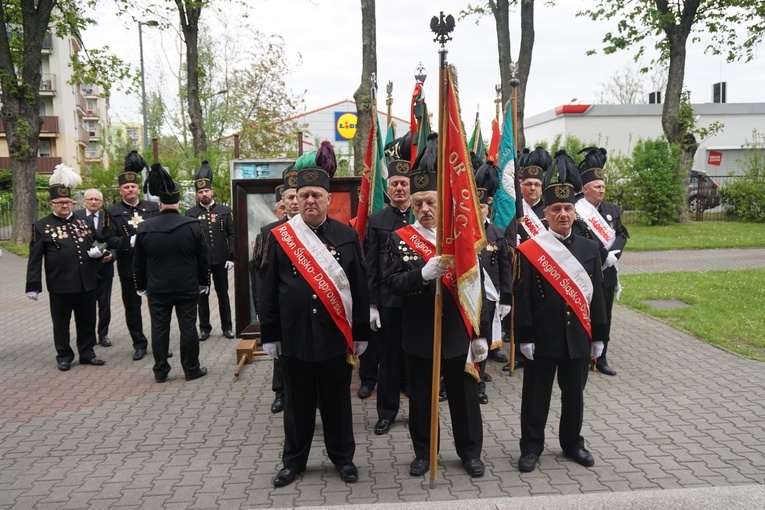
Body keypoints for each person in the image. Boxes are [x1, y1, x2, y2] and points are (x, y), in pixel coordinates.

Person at [259, 143, 369, 487]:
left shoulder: (346, 236)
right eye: (303, 194)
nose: (309, 200)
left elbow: (360, 288)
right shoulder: (280, 238)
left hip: (334, 335)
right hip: (294, 337)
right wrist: (271, 335)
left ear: (327, 199)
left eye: (316, 195)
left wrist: (362, 332)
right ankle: (293, 461)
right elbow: (268, 290)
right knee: (297, 405)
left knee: (337, 402)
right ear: (296, 197)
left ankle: (343, 459)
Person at [383, 138, 485, 478]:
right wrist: (421, 275)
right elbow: (391, 284)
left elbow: (477, 285)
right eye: (418, 203)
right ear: (410, 205)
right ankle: (425, 454)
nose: (425, 208)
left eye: (430, 201)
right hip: (419, 330)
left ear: (442, 202)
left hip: (457, 328)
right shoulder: (398, 239)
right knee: (423, 399)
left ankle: (470, 452)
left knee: (464, 396)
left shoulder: (460, 239)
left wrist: (481, 331)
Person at [514, 150, 608, 473]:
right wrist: (524, 336)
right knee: (536, 396)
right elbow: (523, 296)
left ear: (574, 211)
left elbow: (596, 297)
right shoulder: (532, 250)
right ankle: (531, 446)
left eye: (568, 208)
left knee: (574, 397)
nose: (563, 214)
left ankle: (572, 443)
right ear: (547, 213)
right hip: (543, 337)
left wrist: (600, 336)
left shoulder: (589, 248)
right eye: (556, 209)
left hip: (578, 337)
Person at [133, 164, 210, 383]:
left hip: (157, 287)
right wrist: (204, 283)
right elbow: (202, 258)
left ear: (159, 204)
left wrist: (140, 285)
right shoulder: (192, 225)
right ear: (178, 203)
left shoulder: (145, 227)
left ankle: (160, 371)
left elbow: (138, 261)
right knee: (188, 328)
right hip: (187, 285)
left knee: (159, 329)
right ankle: (191, 368)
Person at [25, 164, 106, 371]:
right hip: (61, 283)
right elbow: (34, 258)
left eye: (67, 202)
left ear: (72, 202)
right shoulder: (42, 226)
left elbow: (100, 241)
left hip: (86, 280)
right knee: (61, 323)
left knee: (87, 320)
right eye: (60, 203)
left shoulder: (83, 221)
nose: (65, 206)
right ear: (51, 204)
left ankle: (87, 353)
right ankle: (64, 355)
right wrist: (32, 285)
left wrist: (99, 252)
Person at [365, 159, 412, 434]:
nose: (398, 188)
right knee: (389, 358)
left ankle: (419, 409)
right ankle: (387, 412)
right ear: (388, 188)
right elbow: (371, 265)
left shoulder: (423, 215)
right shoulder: (378, 220)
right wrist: (372, 303)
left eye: (403, 184)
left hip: (418, 299)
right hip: (390, 301)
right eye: (394, 183)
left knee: (416, 356)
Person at [575, 147, 629, 376]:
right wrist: (601, 253)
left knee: (604, 316)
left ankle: (601, 357)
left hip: (608, 272)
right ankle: (580, 355)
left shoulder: (611, 210)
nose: (602, 190)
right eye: (597, 187)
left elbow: (622, 234)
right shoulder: (577, 210)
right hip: (586, 271)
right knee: (583, 314)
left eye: (603, 186)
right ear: (585, 189)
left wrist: (614, 253)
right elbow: (578, 238)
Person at [251, 169, 299, 415]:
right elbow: (259, 274)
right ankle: (281, 393)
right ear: (282, 203)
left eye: (296, 197)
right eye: (288, 198)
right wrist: (261, 307)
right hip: (280, 306)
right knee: (280, 352)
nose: (293, 202)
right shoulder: (269, 232)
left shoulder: (317, 229)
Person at [106, 151, 160, 360]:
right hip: (129, 267)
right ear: (120, 190)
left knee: (157, 307)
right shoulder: (112, 211)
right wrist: (129, 242)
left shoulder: (152, 208)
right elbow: (109, 238)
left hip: (153, 265)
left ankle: (159, 342)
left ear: (138, 188)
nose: (130, 190)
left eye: (133, 186)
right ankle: (139, 343)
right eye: (126, 187)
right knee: (132, 308)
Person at [503, 146, 551, 372]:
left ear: (542, 188)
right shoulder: (513, 210)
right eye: (528, 184)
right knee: (520, 313)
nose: (532, 188)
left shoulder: (550, 211)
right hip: (520, 272)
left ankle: (542, 348)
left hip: (544, 272)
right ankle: (518, 353)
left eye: (536, 184)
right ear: (520, 187)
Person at [186, 160, 235, 340]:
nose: (204, 194)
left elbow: (232, 234)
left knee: (223, 294)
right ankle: (204, 328)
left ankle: (227, 326)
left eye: (206, 191)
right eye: (200, 192)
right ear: (197, 195)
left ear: (212, 192)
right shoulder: (190, 213)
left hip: (221, 260)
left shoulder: (224, 210)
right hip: (201, 262)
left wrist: (232, 256)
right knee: (202, 295)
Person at [476, 188, 512, 404]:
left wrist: (506, 297)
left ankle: (479, 383)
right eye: (475, 206)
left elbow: (505, 267)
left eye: (481, 207)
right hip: (466, 298)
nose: (478, 211)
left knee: (483, 341)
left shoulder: (497, 233)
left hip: (490, 297)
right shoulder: (459, 231)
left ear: (487, 208)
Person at [75, 188, 116, 348]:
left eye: (96, 200)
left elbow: (114, 240)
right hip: (86, 268)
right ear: (84, 201)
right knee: (87, 304)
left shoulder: (108, 217)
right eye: (90, 199)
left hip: (105, 268)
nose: (93, 202)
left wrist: (112, 254)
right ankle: (88, 335)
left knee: (104, 304)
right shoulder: (77, 217)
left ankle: (103, 334)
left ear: (101, 202)